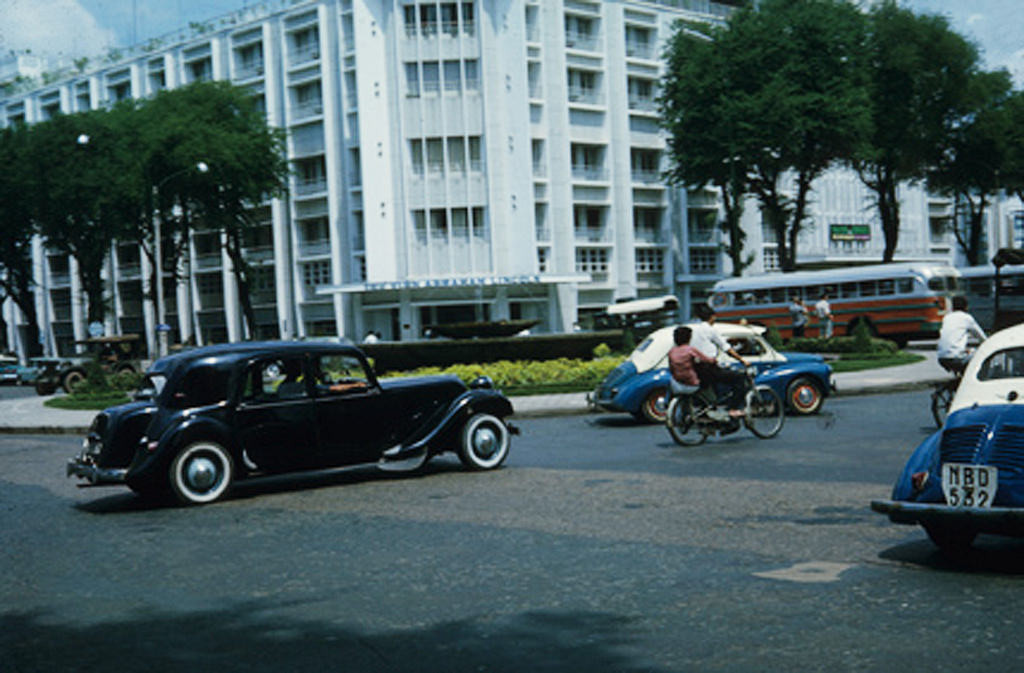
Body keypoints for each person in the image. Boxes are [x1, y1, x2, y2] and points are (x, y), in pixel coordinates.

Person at [690, 304, 751, 417]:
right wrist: (742, 360)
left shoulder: (694, 330)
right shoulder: (710, 330)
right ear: (712, 317)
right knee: (739, 378)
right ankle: (733, 409)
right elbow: (726, 348)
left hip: (695, 368)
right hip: (709, 368)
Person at [937, 295, 986, 375]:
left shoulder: (947, 317)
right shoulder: (967, 318)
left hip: (942, 357)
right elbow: (982, 338)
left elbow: (951, 338)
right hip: (956, 357)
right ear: (966, 307)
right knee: (978, 358)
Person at [668, 325, 716, 393]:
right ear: (688, 338)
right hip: (692, 383)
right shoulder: (690, 350)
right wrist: (713, 360)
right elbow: (707, 360)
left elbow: (671, 368)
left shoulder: (671, 351)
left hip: (677, 383)